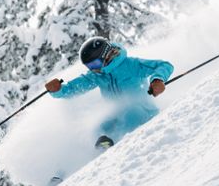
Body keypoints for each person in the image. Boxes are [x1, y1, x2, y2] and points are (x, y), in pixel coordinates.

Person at [45, 37, 173, 148]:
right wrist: (58, 90)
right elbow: (74, 88)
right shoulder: (98, 74)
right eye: (90, 66)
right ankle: (94, 157)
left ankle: (118, 148)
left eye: (95, 63)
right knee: (99, 128)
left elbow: (164, 65)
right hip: (118, 117)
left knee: (131, 114)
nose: (94, 69)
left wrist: (157, 79)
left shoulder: (130, 65)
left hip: (144, 112)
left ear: (106, 55)